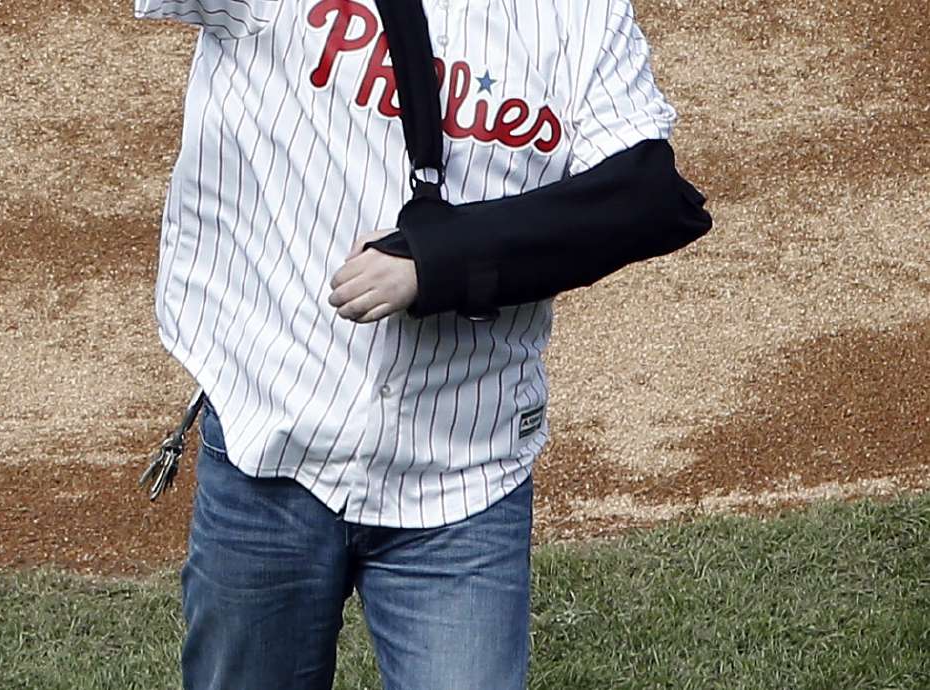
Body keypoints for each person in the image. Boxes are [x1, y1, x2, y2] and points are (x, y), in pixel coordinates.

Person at [131, 1, 710, 687]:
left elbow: (647, 199)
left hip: (463, 479)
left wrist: (440, 261)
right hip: (270, 448)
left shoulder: (580, 15)